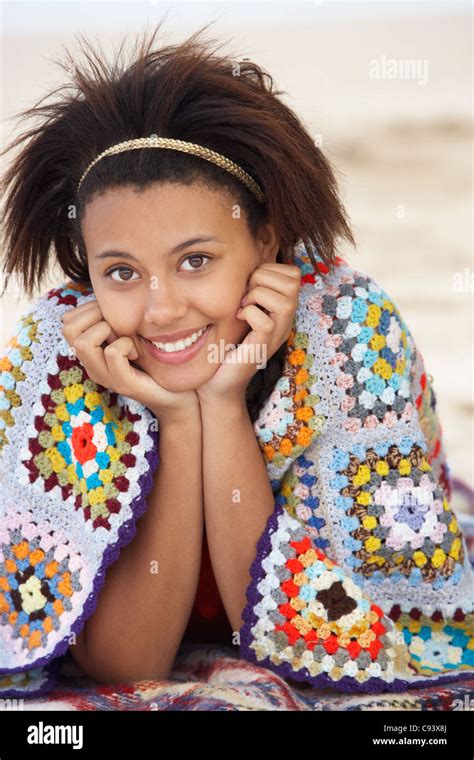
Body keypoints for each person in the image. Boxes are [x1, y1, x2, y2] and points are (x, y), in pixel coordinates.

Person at [0, 22, 472, 696]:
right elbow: (128, 668)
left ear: (267, 240)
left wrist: (225, 399)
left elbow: (349, 634)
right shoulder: (62, 353)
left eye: (196, 260)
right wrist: (182, 419)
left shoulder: (346, 330)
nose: (160, 310)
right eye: (122, 272)